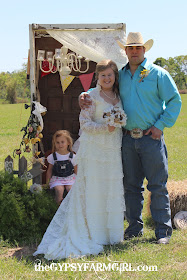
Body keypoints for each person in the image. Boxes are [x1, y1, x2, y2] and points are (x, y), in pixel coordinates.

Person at [79, 32, 182, 245]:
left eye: (138, 47)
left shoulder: (158, 74)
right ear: (125, 51)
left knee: (157, 185)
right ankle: (134, 229)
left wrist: (160, 126)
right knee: (131, 186)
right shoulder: (121, 75)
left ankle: (163, 231)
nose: (134, 51)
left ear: (144, 50)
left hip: (150, 138)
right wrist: (84, 94)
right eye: (130, 48)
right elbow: (103, 88)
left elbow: (174, 100)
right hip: (125, 139)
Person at [33, 60, 125, 259]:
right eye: (103, 75)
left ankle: (111, 233)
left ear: (115, 76)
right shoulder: (90, 96)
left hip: (112, 150)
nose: (107, 78)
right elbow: (84, 123)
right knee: (93, 189)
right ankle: (93, 231)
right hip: (95, 150)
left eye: (110, 75)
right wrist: (105, 128)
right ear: (97, 78)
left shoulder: (118, 95)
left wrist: (116, 123)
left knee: (109, 189)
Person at [46, 130, 77, 205]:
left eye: (62, 142)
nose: (60, 145)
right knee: (59, 190)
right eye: (57, 142)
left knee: (70, 189)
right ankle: (58, 207)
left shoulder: (72, 157)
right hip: (57, 178)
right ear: (55, 143)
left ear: (68, 142)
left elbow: (76, 170)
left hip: (70, 178)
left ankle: (70, 208)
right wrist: (47, 183)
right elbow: (49, 170)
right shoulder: (53, 157)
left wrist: (79, 181)